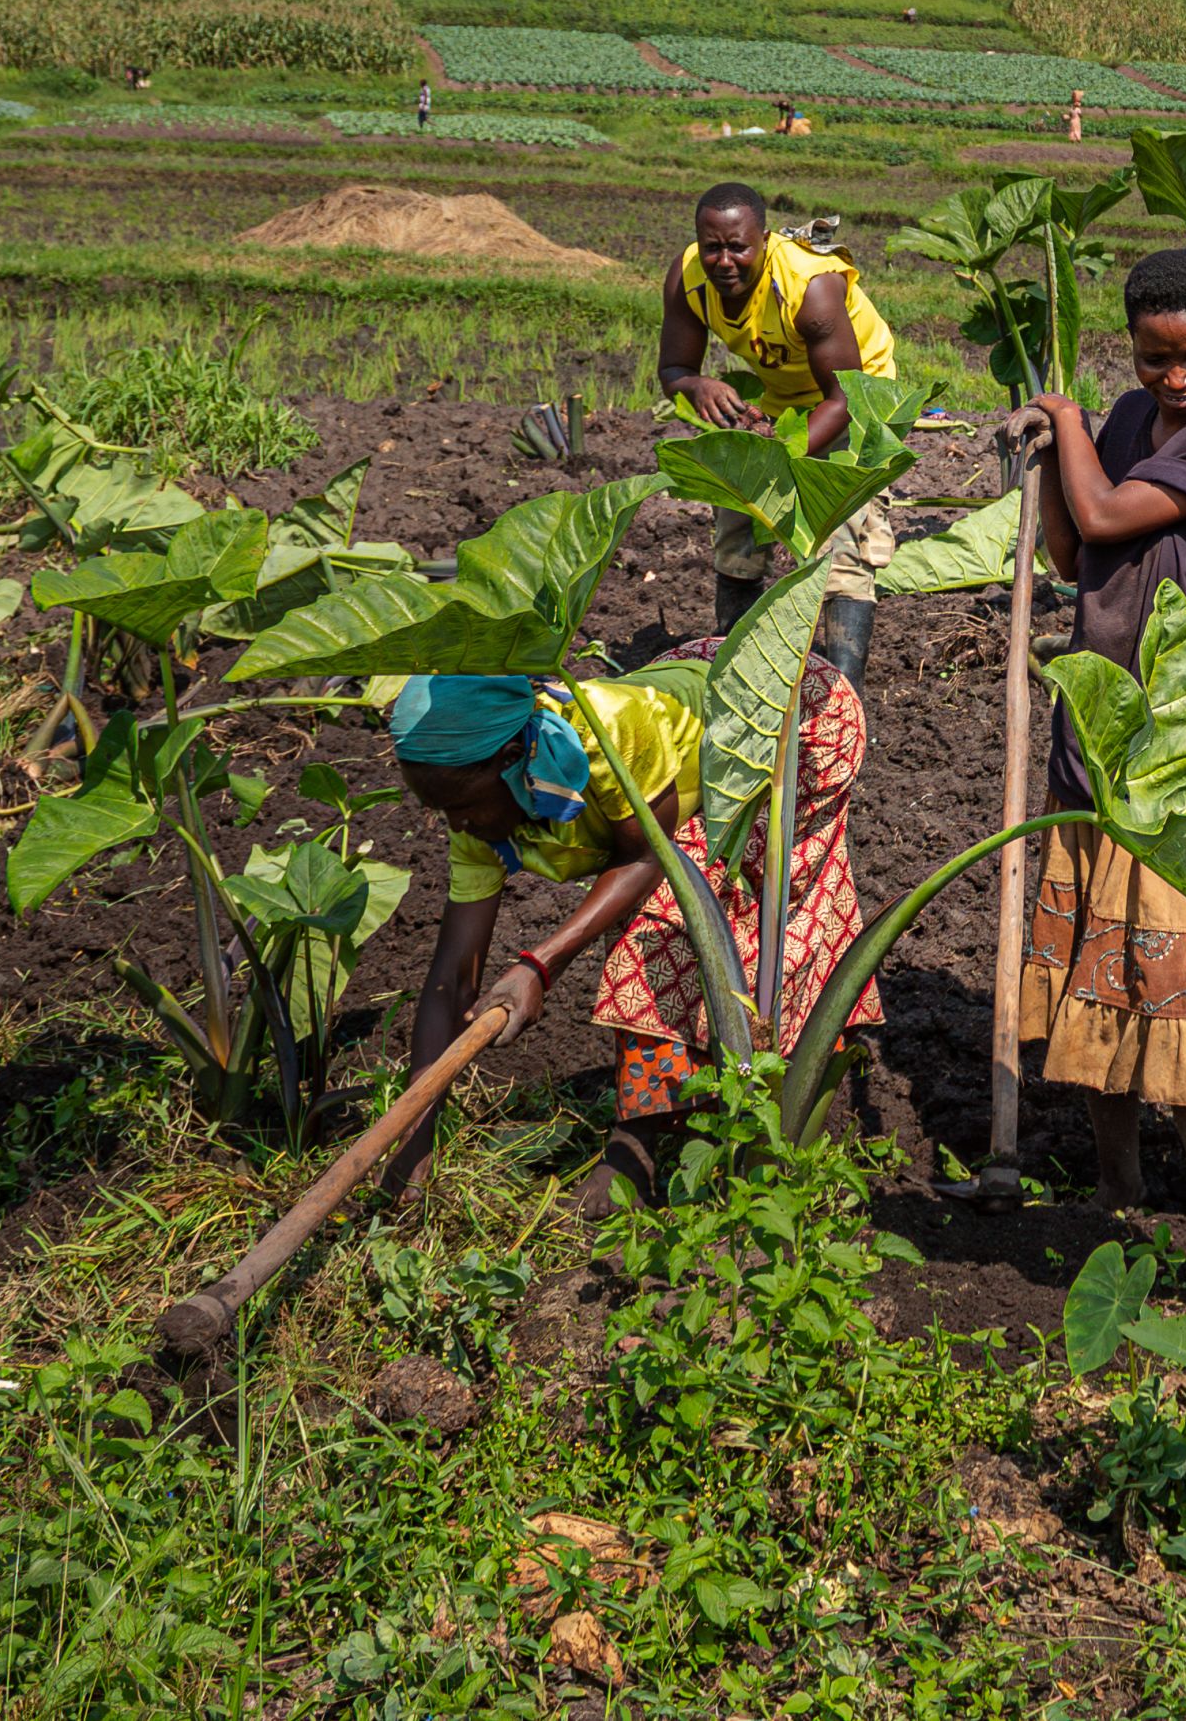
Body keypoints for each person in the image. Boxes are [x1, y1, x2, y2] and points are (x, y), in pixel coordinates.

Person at [1003, 249, 1186, 1221]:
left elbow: (1109, 507)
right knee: (1097, 984)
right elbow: (1073, 545)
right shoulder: (1125, 419)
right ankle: (1115, 1193)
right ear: (1128, 347)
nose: (1175, 378)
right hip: (1099, 737)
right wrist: (1049, 453)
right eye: (1153, 358)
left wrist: (1069, 424)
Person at [379, 657, 877, 1203]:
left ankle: (647, 1139)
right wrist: (413, 1143)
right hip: (683, 737)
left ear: (512, 758)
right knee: (683, 912)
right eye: (439, 812)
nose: (456, 826)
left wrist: (539, 965)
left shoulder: (609, 732)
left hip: (787, 718)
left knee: (671, 924)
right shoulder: (475, 813)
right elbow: (453, 975)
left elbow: (644, 858)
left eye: (460, 807)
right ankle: (692, 1107)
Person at [657, 181, 906, 681]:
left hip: (861, 394)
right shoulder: (687, 278)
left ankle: (841, 696)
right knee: (737, 515)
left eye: (738, 247)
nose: (724, 261)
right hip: (784, 398)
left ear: (764, 241)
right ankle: (739, 670)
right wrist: (698, 385)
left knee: (841, 540)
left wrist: (786, 456)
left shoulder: (809, 286)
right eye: (713, 248)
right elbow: (674, 368)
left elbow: (843, 398)